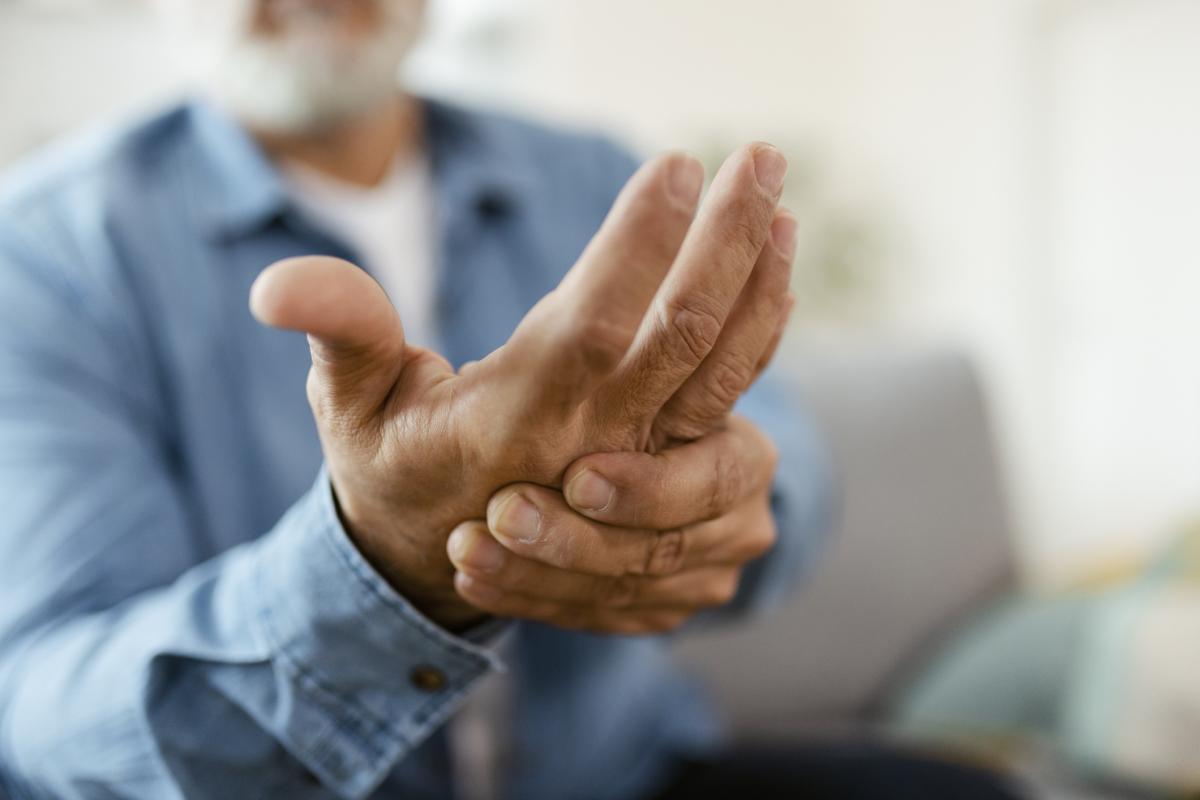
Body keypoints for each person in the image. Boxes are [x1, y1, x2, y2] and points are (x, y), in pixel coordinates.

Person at [0, 2, 1017, 798]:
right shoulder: (44, 253)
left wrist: (730, 509)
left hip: (620, 776)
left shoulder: (593, 178)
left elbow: (784, 470)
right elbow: (46, 711)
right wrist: (379, 570)